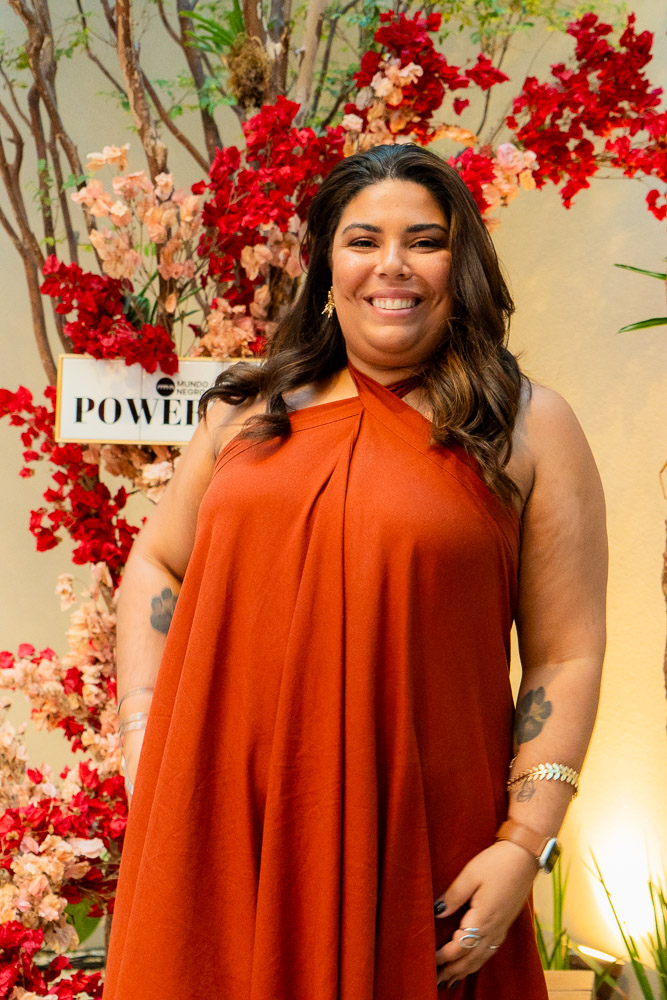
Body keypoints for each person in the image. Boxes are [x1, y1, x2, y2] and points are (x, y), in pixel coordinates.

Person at [102, 143, 607, 1000]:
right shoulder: (244, 412)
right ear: (326, 269)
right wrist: (143, 736)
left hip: (418, 838)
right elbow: (156, 560)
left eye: (425, 241)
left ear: (461, 266)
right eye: (363, 240)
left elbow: (565, 654)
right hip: (223, 825)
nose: (392, 265)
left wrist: (526, 842)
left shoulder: (527, 428)